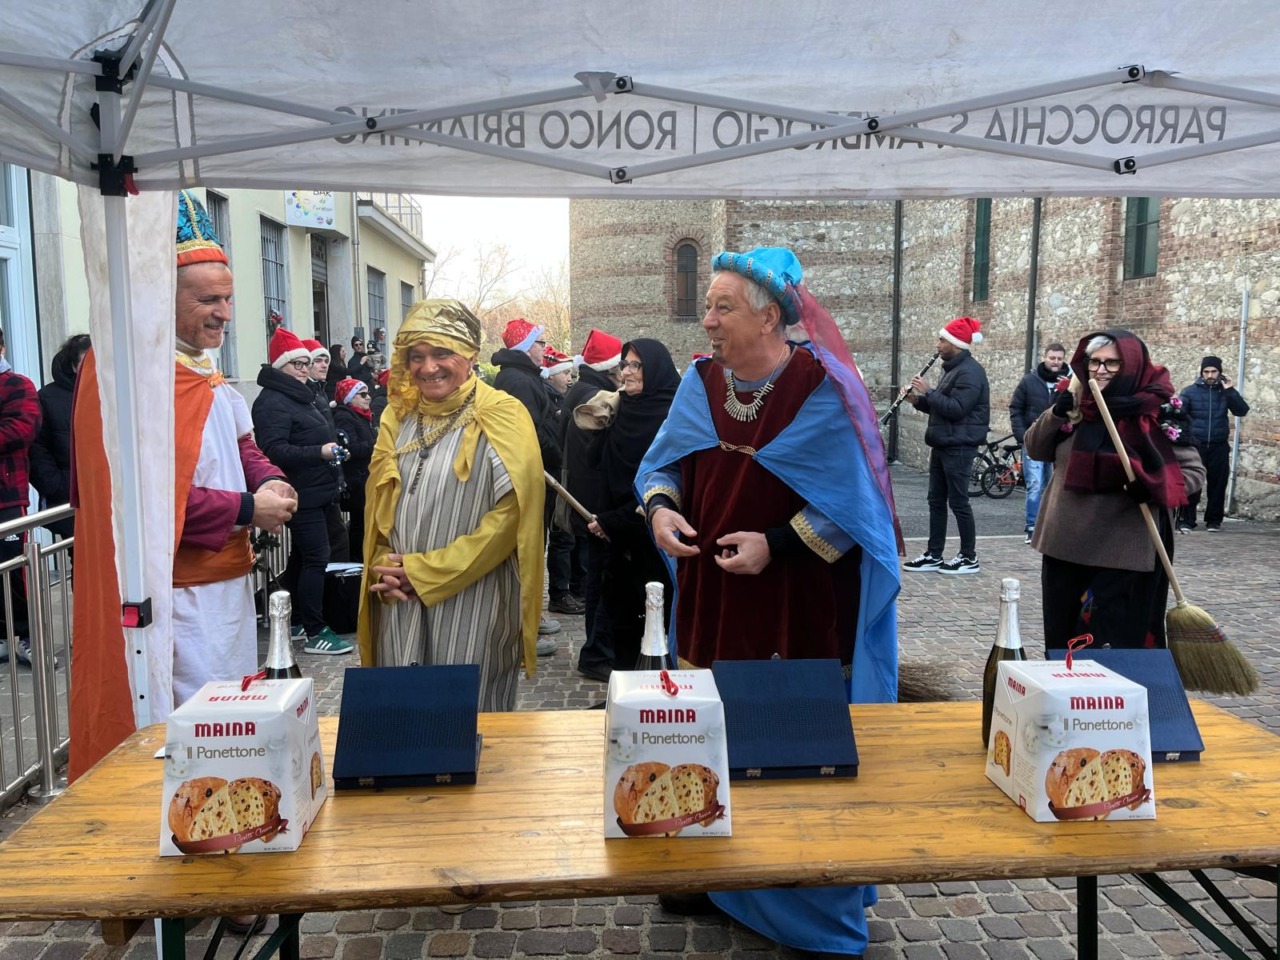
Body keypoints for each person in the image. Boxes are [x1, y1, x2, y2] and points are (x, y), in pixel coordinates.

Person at [638, 247, 900, 958]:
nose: (708, 319)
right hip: (712, 599)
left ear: (769, 317)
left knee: (792, 745)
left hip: (799, 601)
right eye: (709, 305)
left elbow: (858, 509)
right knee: (710, 738)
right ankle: (715, 875)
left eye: (722, 306)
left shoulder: (823, 388)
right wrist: (660, 509)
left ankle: (808, 899)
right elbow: (663, 464)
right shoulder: (700, 381)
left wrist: (777, 544)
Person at [69, 191, 298, 780]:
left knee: (233, 723)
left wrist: (271, 481)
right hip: (175, 600)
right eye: (207, 300)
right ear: (160, 298)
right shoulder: (127, 378)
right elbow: (143, 504)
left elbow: (241, 447)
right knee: (190, 737)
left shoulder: (204, 367)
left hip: (228, 591)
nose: (225, 314)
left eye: (228, 299)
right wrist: (248, 508)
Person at [356, 299, 545, 711]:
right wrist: (387, 566)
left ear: (470, 355)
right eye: (417, 356)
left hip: (473, 597)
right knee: (402, 717)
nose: (428, 368)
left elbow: (511, 517)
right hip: (399, 597)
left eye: (442, 353)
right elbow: (379, 510)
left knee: (466, 717)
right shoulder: (398, 416)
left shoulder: (502, 414)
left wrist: (426, 572)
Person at [1025, 329, 1205, 651]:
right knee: (1062, 638)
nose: (1101, 370)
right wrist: (1055, 413)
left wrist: (1152, 487)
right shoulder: (1075, 401)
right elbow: (1036, 449)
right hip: (1065, 543)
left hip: (1123, 551)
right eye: (1094, 362)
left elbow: (1193, 473)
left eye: (1112, 363)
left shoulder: (1157, 410)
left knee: (1106, 645)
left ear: (1132, 364)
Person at [251, 327, 354, 656]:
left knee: (301, 558)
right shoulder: (272, 402)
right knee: (316, 559)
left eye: (306, 364)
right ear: (280, 366)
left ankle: (296, 620)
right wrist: (319, 452)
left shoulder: (302, 395)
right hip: (302, 493)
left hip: (319, 489)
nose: (304, 369)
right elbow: (274, 450)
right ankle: (315, 631)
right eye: (297, 364)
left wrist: (332, 452)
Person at [579, 339, 679, 669]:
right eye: (624, 365)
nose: (628, 372)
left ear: (656, 369)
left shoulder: (672, 416)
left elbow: (668, 480)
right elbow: (597, 464)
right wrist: (602, 422)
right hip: (613, 540)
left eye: (637, 365)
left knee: (655, 627)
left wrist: (615, 521)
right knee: (621, 625)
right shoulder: (622, 409)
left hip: (653, 541)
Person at [491, 317, 563, 646]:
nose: (544, 348)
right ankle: (521, 630)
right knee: (524, 551)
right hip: (526, 475)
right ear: (524, 347)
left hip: (535, 473)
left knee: (534, 549)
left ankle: (531, 617)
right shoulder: (518, 380)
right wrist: (555, 455)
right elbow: (528, 431)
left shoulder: (524, 376)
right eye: (539, 343)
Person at [901, 317, 990, 574]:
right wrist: (915, 400)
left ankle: (968, 557)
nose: (938, 344)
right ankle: (934, 554)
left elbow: (957, 409)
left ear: (956, 343)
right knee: (936, 501)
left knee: (959, 502)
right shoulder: (952, 369)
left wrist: (929, 391)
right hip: (943, 443)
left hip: (960, 446)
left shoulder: (971, 372)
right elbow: (940, 408)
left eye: (942, 340)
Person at [563, 328, 624, 681]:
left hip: (583, 494)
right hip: (595, 500)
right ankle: (597, 652)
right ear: (611, 368)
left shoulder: (578, 389)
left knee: (595, 577)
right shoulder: (598, 396)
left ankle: (597, 647)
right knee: (600, 579)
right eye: (623, 366)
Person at [0, 328, 41, 666]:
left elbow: (21, 430)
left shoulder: (17, 385)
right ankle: (2, 638)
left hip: (7, 496)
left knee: (15, 571)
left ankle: (29, 637)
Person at [1177, 355, 1249, 533]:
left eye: (1214, 371)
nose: (1210, 375)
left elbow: (1241, 410)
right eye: (1206, 371)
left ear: (1220, 372)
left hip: (1219, 445)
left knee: (1218, 484)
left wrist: (1230, 390)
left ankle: (1214, 521)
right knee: (1193, 483)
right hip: (1196, 446)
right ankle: (1187, 520)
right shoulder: (1189, 392)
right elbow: (1179, 416)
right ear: (1201, 372)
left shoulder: (1225, 392)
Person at [30, 333, 90, 543]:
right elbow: (36, 449)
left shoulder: (113, 393)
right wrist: (59, 485)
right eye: (86, 362)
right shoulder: (47, 398)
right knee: (79, 555)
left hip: (109, 495)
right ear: (73, 365)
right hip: (69, 499)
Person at [541, 347, 586, 616]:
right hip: (554, 475)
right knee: (561, 538)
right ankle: (559, 593)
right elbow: (547, 438)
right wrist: (560, 458)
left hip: (562, 473)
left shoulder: (560, 398)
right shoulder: (548, 401)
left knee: (570, 537)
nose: (569, 378)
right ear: (551, 375)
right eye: (565, 373)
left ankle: (571, 590)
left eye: (570, 372)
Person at [1009, 342, 1067, 543]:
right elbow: (1016, 408)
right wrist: (1023, 435)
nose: (1056, 362)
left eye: (1059, 359)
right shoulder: (1030, 381)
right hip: (1034, 440)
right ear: (1045, 357)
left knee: (1054, 486)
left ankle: (1050, 527)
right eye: (1052, 358)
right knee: (1034, 484)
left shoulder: (1071, 382)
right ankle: (1032, 527)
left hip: (1058, 442)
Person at [333, 377, 375, 561]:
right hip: (356, 480)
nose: (368, 398)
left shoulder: (362, 415)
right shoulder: (344, 417)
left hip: (364, 477)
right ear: (350, 398)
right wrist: (377, 444)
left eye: (368, 394)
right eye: (363, 394)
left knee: (363, 522)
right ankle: (357, 561)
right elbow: (351, 449)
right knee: (359, 523)